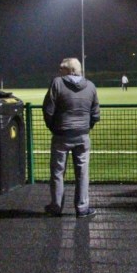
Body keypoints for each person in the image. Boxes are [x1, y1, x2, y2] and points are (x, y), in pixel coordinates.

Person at [43, 58, 100, 218]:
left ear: (69, 70)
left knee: (57, 172)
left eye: (61, 68)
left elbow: (48, 110)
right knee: (82, 173)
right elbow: (95, 113)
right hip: (82, 135)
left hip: (61, 135)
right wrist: (86, 128)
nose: (59, 71)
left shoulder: (57, 83)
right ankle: (82, 208)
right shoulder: (91, 86)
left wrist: (54, 128)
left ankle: (56, 207)